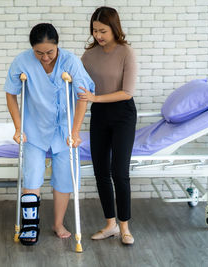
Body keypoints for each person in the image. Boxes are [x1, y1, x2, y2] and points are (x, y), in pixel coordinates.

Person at [4, 23, 94, 245]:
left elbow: (83, 96)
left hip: (64, 129)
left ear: (57, 46)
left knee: (64, 177)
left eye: (50, 52)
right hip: (34, 127)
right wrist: (18, 127)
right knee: (32, 173)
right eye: (39, 53)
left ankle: (58, 223)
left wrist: (75, 131)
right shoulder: (22, 61)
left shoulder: (70, 62)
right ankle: (30, 225)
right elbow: (11, 94)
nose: (45, 58)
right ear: (32, 49)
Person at [78, 6, 137, 245]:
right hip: (99, 114)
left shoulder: (126, 52)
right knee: (101, 171)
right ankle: (110, 225)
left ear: (114, 29)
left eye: (103, 30)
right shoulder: (88, 55)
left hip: (123, 114)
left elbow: (127, 92)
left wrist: (95, 98)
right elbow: (77, 82)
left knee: (119, 173)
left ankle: (125, 227)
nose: (98, 35)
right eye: (94, 31)